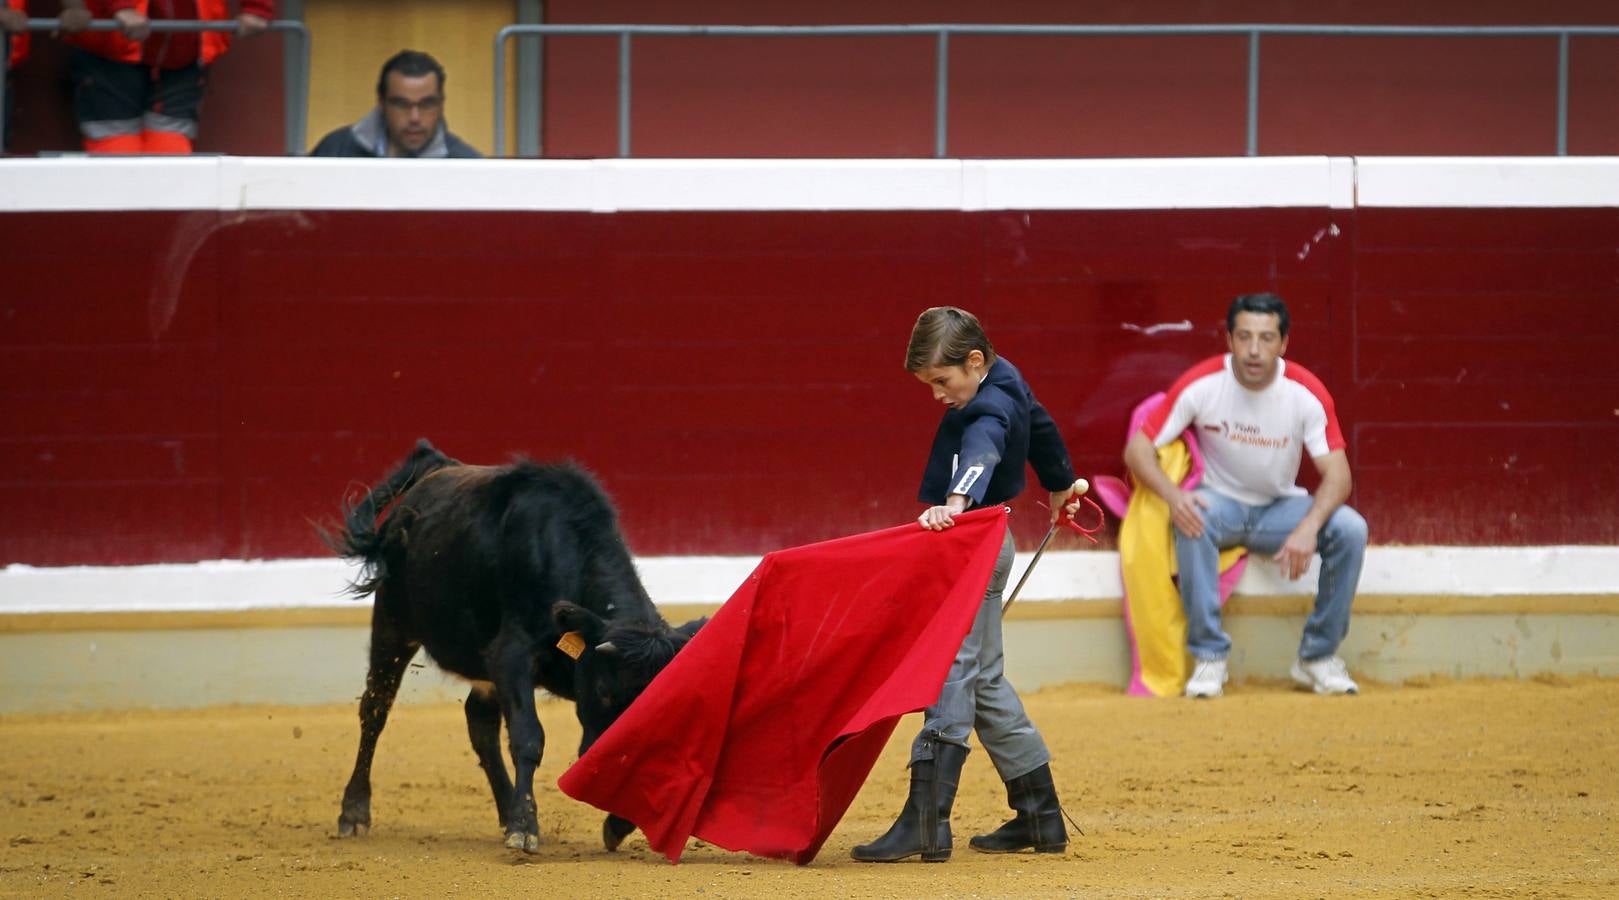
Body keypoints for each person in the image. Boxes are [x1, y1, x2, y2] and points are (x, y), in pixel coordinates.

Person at [852, 306, 1084, 863]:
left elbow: (983, 444)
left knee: (952, 671)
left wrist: (955, 504)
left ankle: (927, 823)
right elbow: (1042, 423)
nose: (937, 394)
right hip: (989, 541)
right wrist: (1057, 483)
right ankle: (1040, 815)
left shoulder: (989, 402)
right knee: (983, 680)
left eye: (942, 381)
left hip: (975, 545)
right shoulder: (1006, 377)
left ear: (974, 360)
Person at [1123, 292, 1368, 699]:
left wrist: (1308, 529)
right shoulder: (1202, 384)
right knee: (1190, 516)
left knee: (1351, 529)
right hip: (1218, 505)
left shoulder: (1305, 392)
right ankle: (1209, 657)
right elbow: (1137, 450)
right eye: (1245, 337)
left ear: (1284, 343)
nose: (1255, 350)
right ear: (1230, 339)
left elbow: (1339, 477)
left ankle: (1317, 657)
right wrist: (1174, 496)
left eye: (1267, 338)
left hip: (1281, 509)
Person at [62, 0, 273, 154]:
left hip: (185, 52)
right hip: (111, 50)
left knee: (169, 147)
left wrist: (257, 8)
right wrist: (122, 7)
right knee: (116, 147)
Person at [309, 50, 481, 158]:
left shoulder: (466, 165)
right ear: (381, 103)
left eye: (427, 104)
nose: (415, 118)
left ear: (442, 105)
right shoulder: (336, 151)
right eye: (401, 104)